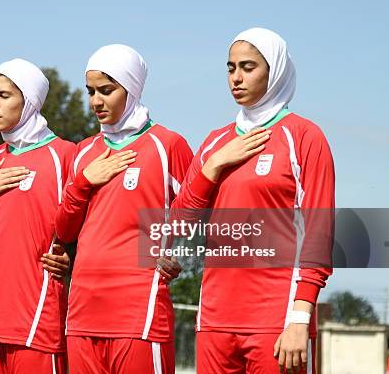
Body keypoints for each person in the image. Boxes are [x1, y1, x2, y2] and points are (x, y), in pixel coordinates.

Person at [171, 27, 334, 373]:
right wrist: (213, 165)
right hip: (214, 321)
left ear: (273, 71)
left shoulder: (304, 137)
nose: (236, 78)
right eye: (231, 68)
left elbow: (318, 235)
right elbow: (177, 226)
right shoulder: (216, 142)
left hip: (276, 322)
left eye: (248, 67)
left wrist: (299, 319)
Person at [55, 44, 193, 373]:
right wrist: (83, 182)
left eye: (106, 90)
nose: (95, 102)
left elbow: (201, 212)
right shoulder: (84, 152)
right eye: (90, 91)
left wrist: (181, 256)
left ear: (130, 88)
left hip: (139, 316)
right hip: (82, 315)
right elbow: (64, 229)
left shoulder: (166, 145)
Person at [0, 58, 74, 373]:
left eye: (4, 96)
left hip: (36, 321)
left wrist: (71, 256)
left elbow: (86, 223)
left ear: (28, 101)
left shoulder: (64, 155)